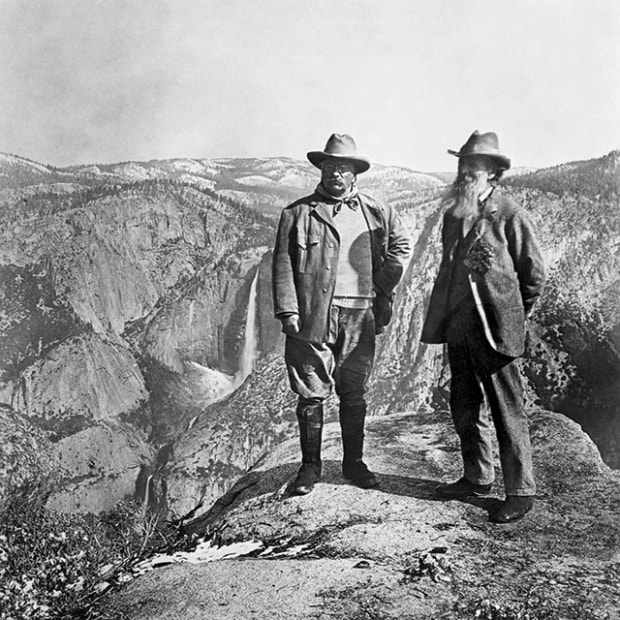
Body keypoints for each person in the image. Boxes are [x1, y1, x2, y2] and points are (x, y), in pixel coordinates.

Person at [272, 133, 412, 495]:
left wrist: (382, 283)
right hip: (313, 315)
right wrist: (288, 309)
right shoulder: (298, 213)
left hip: (360, 314)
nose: (336, 174)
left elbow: (401, 246)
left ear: (355, 175)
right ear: (322, 170)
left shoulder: (376, 211)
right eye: (330, 167)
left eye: (344, 168)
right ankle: (310, 468)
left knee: (354, 391)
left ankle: (354, 464)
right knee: (311, 390)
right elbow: (283, 264)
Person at [421, 130, 546, 523]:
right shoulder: (453, 215)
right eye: (463, 164)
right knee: (463, 404)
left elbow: (534, 274)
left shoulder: (510, 214)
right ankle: (476, 475)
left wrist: (512, 313)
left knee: (506, 408)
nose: (465, 172)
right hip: (458, 325)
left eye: (473, 166)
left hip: (496, 328)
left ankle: (520, 491)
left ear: (492, 172)